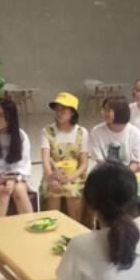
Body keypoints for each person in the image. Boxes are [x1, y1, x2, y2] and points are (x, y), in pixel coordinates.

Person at [40, 92, 89, 221]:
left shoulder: (82, 132)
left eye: (64, 110)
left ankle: (76, 229)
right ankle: (52, 229)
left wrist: (72, 176)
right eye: (57, 109)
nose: (59, 113)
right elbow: (45, 160)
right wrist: (51, 178)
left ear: (73, 112)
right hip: (53, 175)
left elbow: (84, 163)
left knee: (72, 192)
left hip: (74, 175)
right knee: (53, 193)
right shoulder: (47, 131)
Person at [89, 95, 140, 172]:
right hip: (106, 171)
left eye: (108, 110)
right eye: (104, 109)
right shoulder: (96, 132)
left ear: (120, 111)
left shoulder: (135, 133)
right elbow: (100, 161)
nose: (103, 112)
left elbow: (135, 162)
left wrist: (124, 176)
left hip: (130, 173)